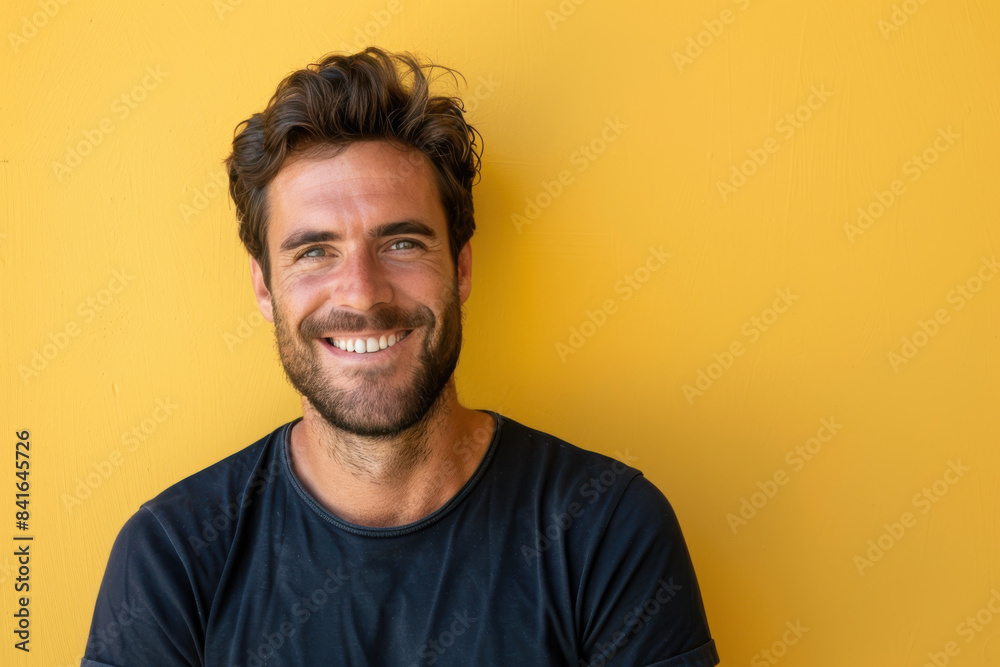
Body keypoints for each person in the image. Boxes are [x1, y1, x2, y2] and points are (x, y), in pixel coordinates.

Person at [82, 47, 720, 667]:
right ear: (264, 288)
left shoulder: (606, 530)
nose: (362, 293)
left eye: (403, 243)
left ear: (461, 268)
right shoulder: (172, 558)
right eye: (314, 252)